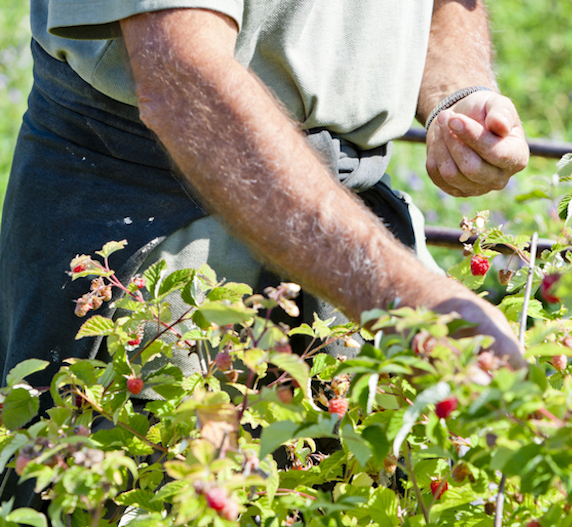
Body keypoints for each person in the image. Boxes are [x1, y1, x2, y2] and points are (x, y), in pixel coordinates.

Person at [0, 0, 529, 505]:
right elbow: (184, 81)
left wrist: (457, 92)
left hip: (346, 231)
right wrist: (403, 297)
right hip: (166, 240)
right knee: (156, 486)